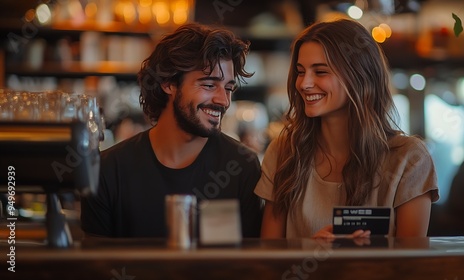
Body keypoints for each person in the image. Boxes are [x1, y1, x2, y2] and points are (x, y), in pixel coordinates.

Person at [254, 19, 439, 239]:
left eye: (320, 72)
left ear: (358, 76)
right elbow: (269, 261)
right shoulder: (284, 152)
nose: (303, 84)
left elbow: (412, 267)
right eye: (300, 71)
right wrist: (311, 256)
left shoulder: (409, 159)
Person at [81, 23, 263, 238]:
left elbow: (247, 264)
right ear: (168, 83)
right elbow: (95, 267)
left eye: (229, 88)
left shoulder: (241, 167)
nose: (223, 100)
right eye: (208, 85)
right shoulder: (108, 170)